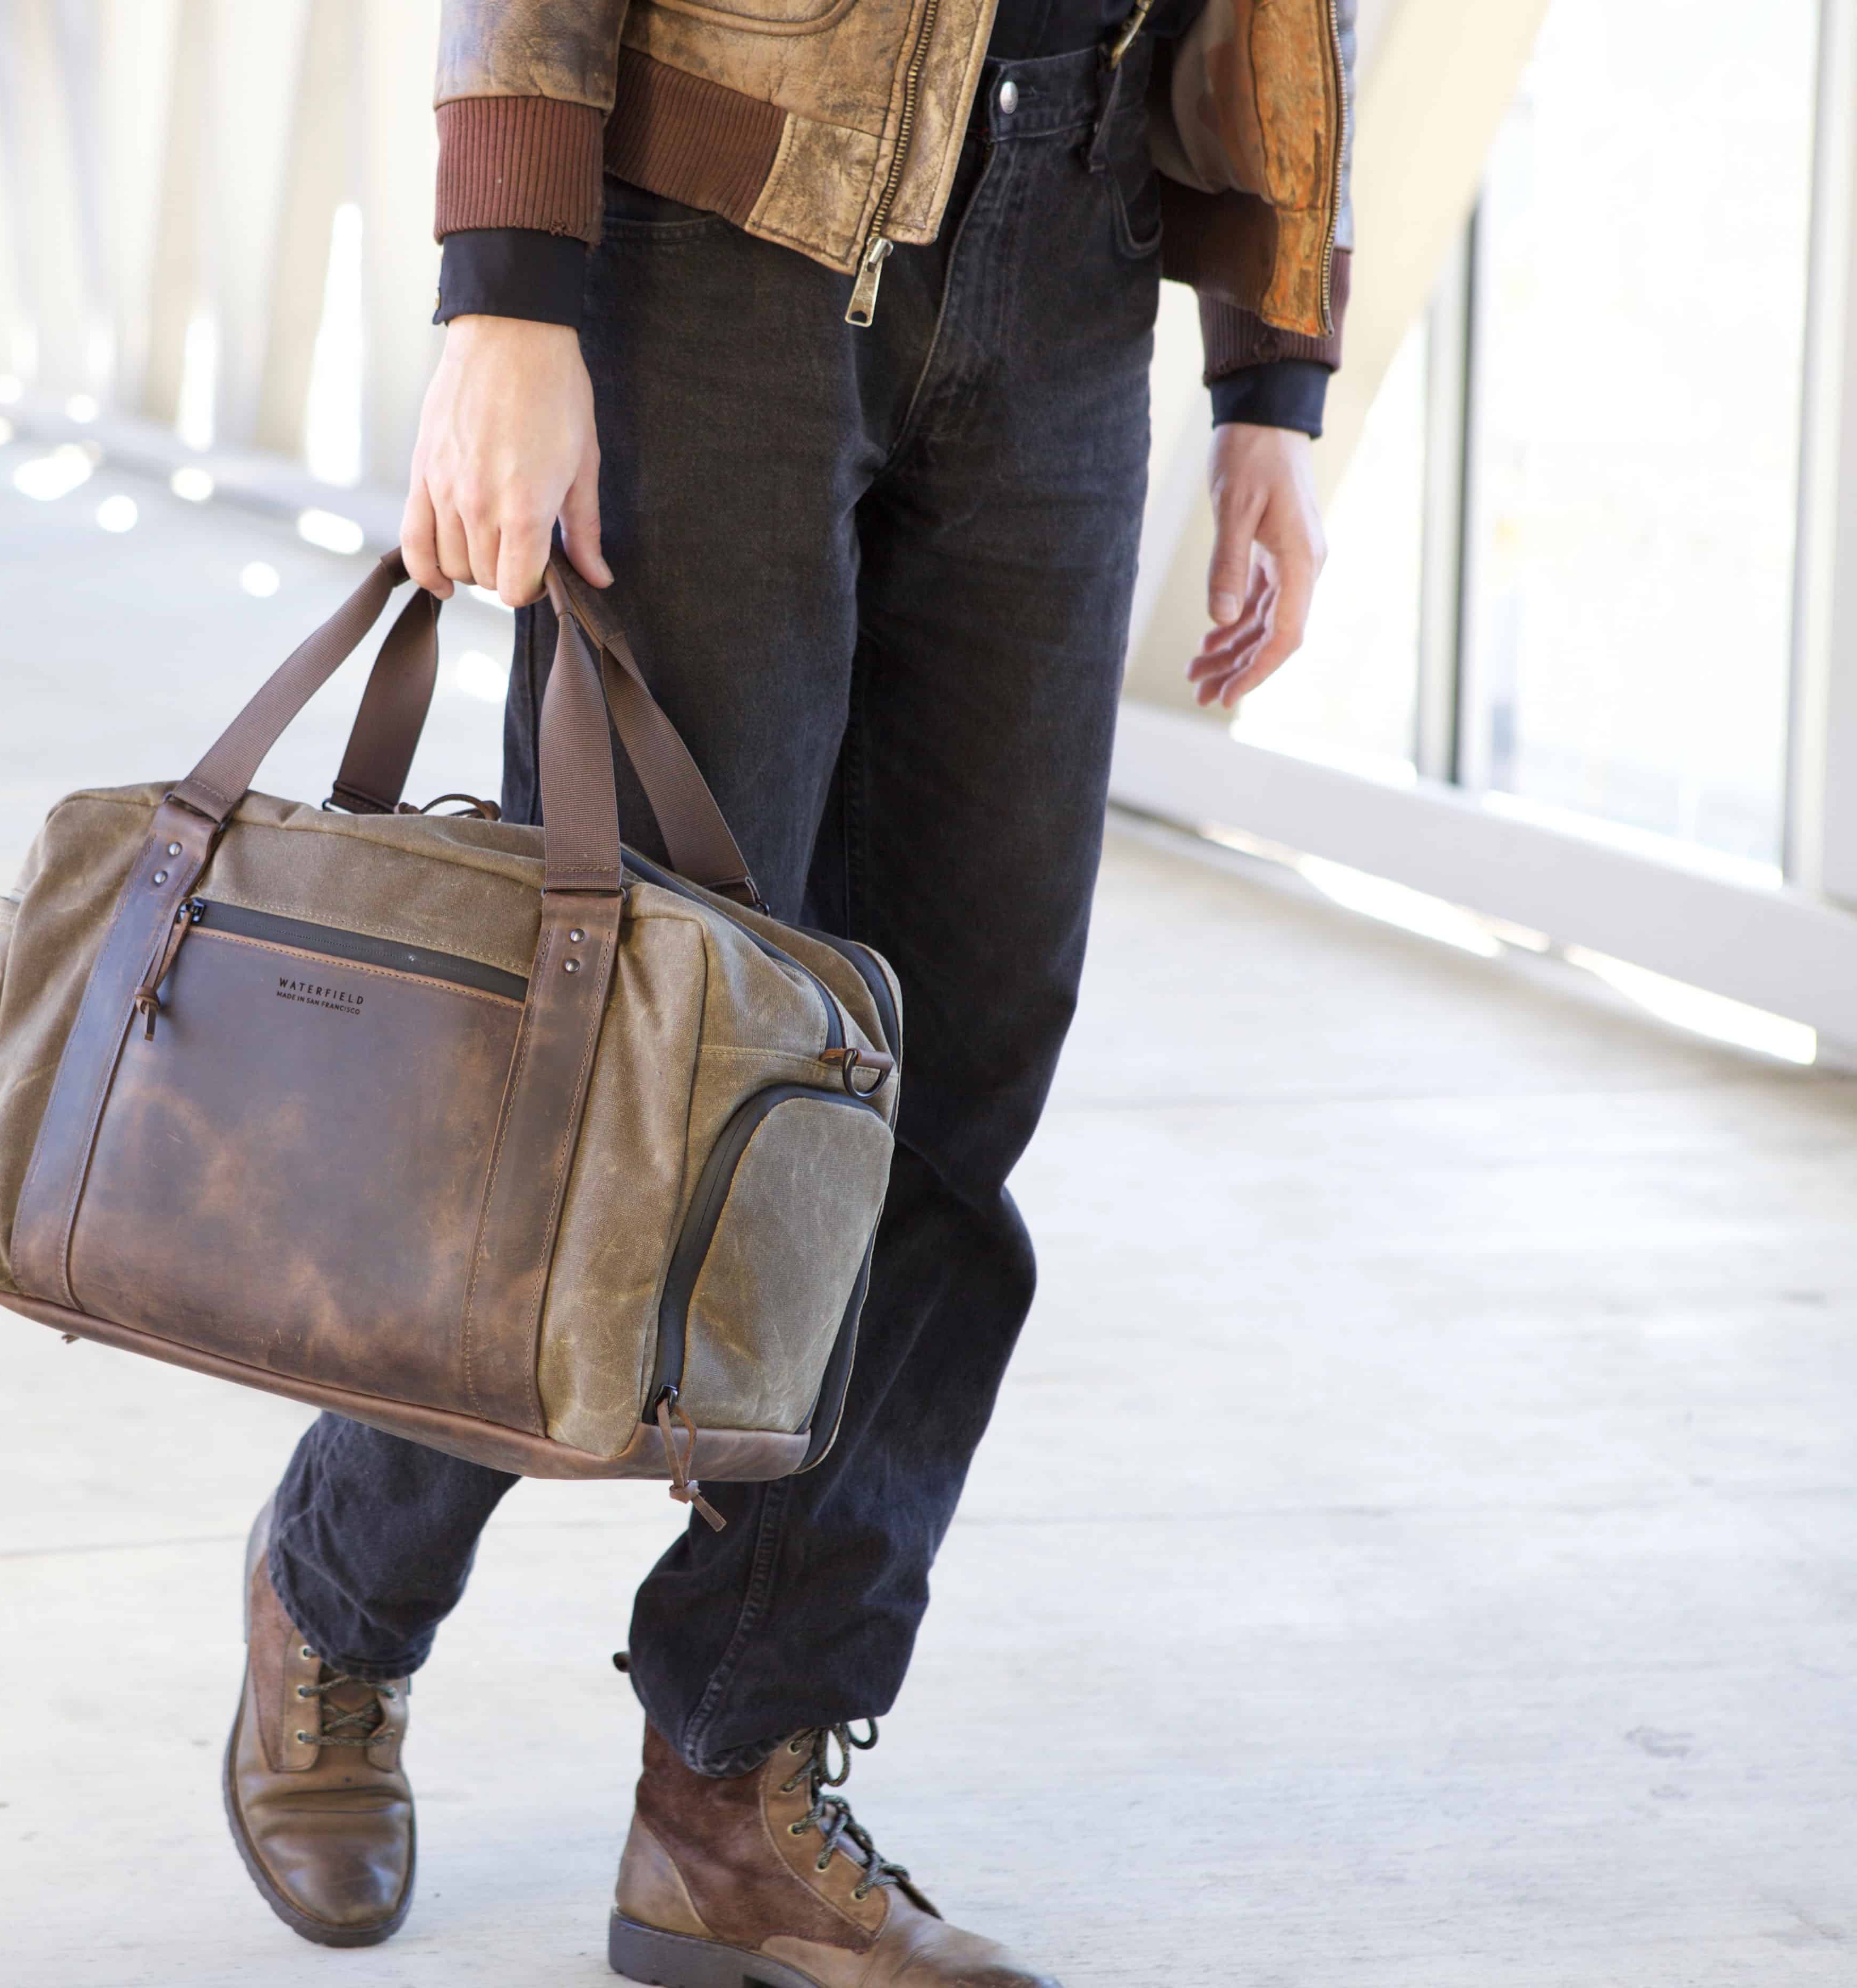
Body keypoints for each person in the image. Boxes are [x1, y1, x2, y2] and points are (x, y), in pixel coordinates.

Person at [222, 2, 1353, 1980]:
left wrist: (1275, 366)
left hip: (1078, 249)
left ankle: (732, 1791)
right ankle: (340, 1584)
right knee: (624, 1067)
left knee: (941, 1091)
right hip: (725, 232)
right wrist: (505, 289)